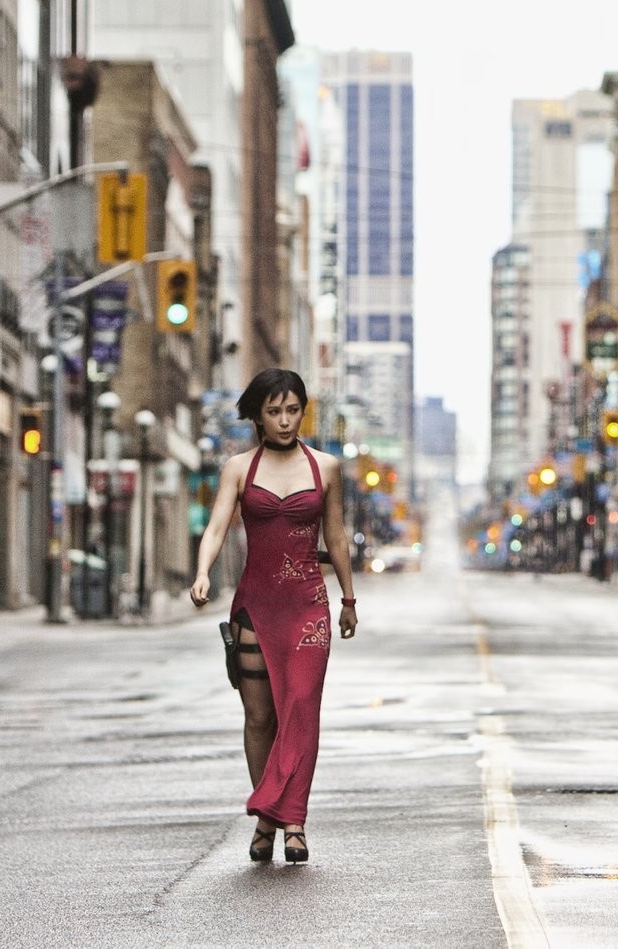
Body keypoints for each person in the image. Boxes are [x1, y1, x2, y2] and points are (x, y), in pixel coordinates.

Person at [191, 369, 358, 865]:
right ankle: (268, 817)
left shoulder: (326, 468)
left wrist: (348, 599)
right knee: (260, 718)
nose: (285, 421)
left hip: (308, 606)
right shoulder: (238, 468)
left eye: (293, 410)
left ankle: (293, 822)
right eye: (274, 411)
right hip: (254, 606)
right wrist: (202, 573)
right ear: (258, 416)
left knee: (301, 710)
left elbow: (338, 537)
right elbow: (217, 525)